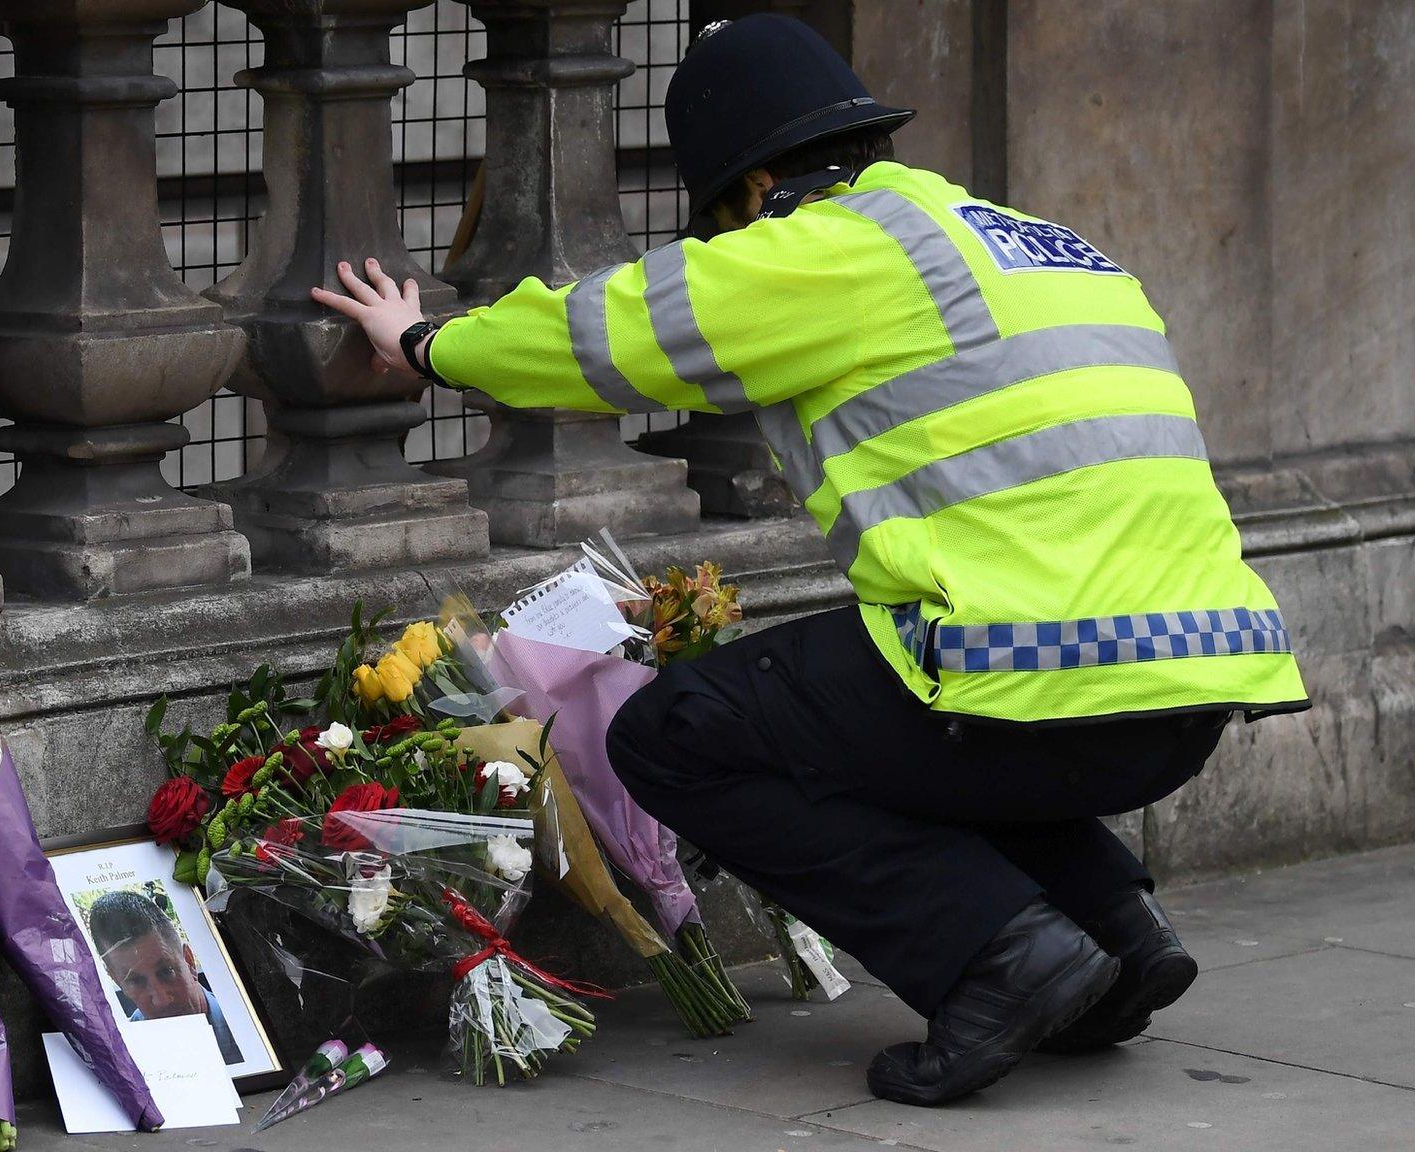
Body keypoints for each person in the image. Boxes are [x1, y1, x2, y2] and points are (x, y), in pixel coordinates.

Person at [309, 13, 1308, 1107]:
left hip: (1030, 669)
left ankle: (997, 959)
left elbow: (610, 336)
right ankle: (1114, 935)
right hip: (1194, 685)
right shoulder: (1028, 237)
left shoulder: (827, 247)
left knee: (676, 738)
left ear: (753, 185)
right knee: (900, 723)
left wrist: (425, 341)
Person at [88, 888, 243, 1066]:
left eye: (167, 972)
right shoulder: (123, 1060)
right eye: (135, 981)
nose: (161, 999)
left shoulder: (249, 1028)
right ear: (117, 981)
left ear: (190, 962)